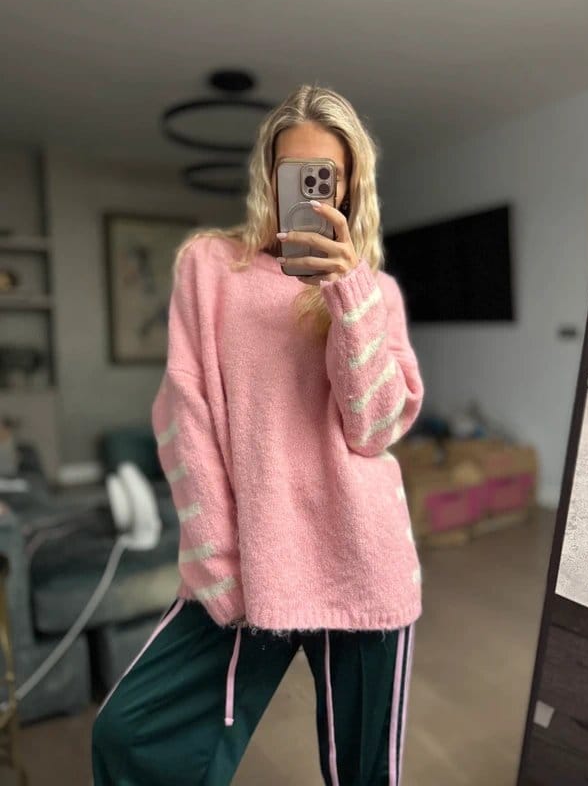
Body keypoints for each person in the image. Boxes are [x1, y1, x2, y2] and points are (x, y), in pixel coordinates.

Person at [91, 83, 425, 786]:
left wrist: (349, 295)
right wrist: (218, 566)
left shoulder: (376, 292)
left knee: (364, 777)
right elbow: (184, 417)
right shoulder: (211, 268)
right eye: (291, 173)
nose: (306, 191)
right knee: (130, 734)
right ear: (267, 177)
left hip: (363, 562)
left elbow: (374, 431)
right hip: (251, 569)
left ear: (347, 185)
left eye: (324, 176)